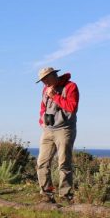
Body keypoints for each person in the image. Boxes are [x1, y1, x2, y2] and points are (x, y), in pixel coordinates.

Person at [35, 67, 79, 203]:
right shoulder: (45, 90)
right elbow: (43, 107)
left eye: (46, 79)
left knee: (64, 164)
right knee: (42, 163)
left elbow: (72, 108)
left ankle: (65, 195)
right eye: (42, 80)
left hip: (64, 129)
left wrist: (55, 96)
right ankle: (46, 194)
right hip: (48, 130)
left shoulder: (71, 87)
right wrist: (41, 120)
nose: (44, 83)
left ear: (54, 75)